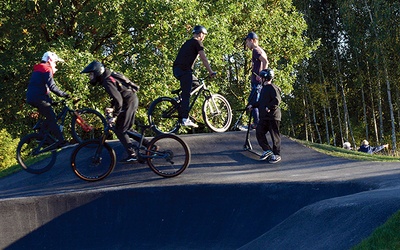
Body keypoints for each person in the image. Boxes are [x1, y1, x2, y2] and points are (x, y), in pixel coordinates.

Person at [81, 61, 153, 163]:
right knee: (125, 128)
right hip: (130, 100)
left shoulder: (107, 81)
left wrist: (114, 115)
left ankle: (133, 154)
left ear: (97, 72)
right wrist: (112, 108)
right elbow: (116, 97)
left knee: (120, 130)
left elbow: (119, 100)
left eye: (91, 74)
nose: (90, 77)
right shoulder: (108, 76)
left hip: (128, 102)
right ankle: (151, 146)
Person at [173, 25, 216, 128]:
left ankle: (178, 100)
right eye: (204, 35)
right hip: (184, 71)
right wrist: (210, 71)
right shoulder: (197, 42)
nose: (204, 37)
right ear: (200, 34)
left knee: (196, 84)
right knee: (186, 94)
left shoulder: (187, 43)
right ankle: (185, 118)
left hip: (178, 69)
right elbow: (203, 58)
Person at [26, 51, 70, 148]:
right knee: (52, 118)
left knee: (48, 115)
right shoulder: (46, 69)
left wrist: (51, 101)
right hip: (39, 98)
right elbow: (52, 86)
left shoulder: (39, 68)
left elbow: (41, 87)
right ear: (50, 60)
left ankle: (41, 134)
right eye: (55, 62)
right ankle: (62, 142)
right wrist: (64, 94)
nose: (55, 64)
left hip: (32, 97)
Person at [247, 68, 282, 163]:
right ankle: (268, 150)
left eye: (261, 78)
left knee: (274, 136)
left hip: (273, 116)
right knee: (259, 132)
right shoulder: (263, 89)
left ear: (265, 78)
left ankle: (276, 154)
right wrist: (253, 105)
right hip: (264, 117)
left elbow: (277, 100)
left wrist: (270, 107)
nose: (260, 79)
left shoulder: (272, 88)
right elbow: (261, 102)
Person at [244, 32, 269, 129]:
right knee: (256, 101)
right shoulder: (260, 50)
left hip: (257, 81)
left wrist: (261, 75)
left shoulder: (256, 50)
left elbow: (265, 61)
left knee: (252, 101)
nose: (247, 45)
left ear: (251, 40)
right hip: (258, 81)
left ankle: (257, 123)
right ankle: (259, 122)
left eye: (247, 42)